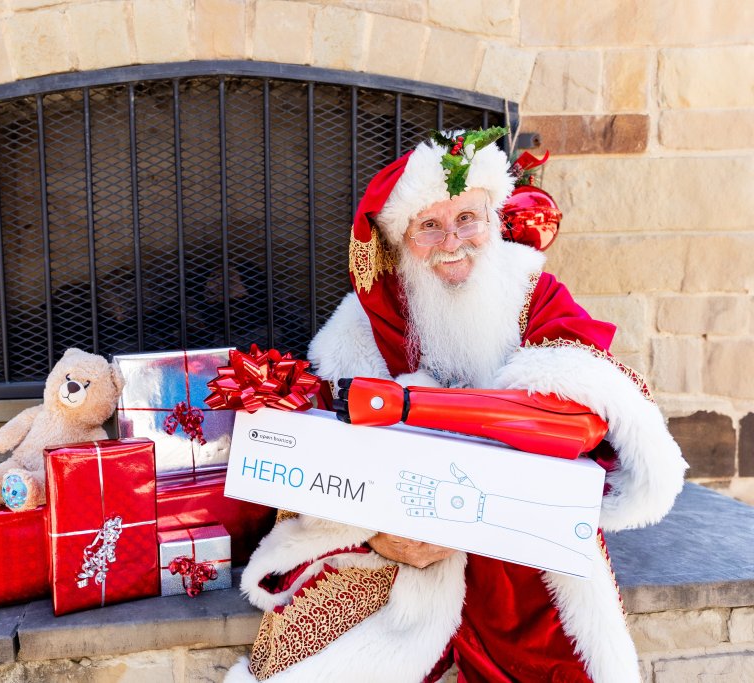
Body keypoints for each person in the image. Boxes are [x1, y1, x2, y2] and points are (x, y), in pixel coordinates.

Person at [225, 129, 687, 682]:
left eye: (468, 218)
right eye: (429, 226)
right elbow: (319, 476)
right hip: (405, 562)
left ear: (492, 219)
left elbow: (585, 411)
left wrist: (429, 411)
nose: (453, 242)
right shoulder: (356, 335)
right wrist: (380, 536)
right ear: (399, 243)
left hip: (521, 547)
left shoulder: (533, 292)